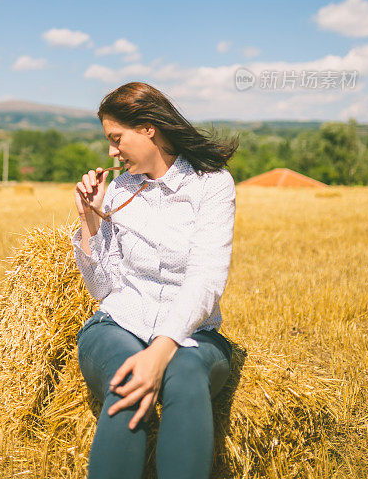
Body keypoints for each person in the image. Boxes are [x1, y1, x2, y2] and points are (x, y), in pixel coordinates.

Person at [71, 81, 238, 479]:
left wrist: (160, 350)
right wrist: (89, 217)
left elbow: (206, 279)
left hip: (195, 333)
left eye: (116, 138)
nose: (111, 151)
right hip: (117, 324)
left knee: (183, 375)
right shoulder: (120, 190)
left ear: (148, 127)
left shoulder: (211, 185)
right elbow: (102, 287)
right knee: (127, 380)